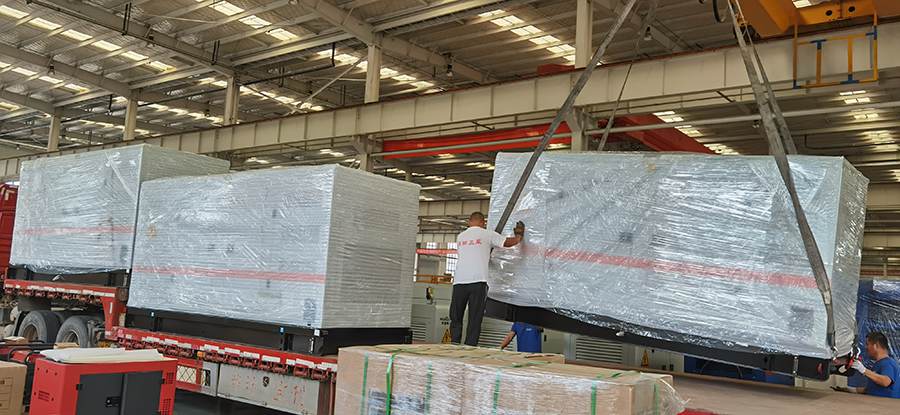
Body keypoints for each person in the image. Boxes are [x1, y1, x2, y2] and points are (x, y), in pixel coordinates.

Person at [450, 212, 524, 346]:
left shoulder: (460, 237)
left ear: (469, 222)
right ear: (483, 222)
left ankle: (454, 342)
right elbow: (507, 243)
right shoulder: (487, 234)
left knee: (456, 315)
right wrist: (518, 237)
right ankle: (470, 346)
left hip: (459, 281)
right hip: (478, 281)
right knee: (475, 317)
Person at [847, 332, 900, 398]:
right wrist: (851, 389)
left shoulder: (887, 363)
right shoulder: (879, 364)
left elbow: (885, 382)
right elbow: (873, 388)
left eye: (867, 344)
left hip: (884, 403)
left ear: (875, 346)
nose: (866, 347)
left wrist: (863, 370)